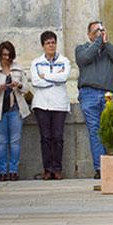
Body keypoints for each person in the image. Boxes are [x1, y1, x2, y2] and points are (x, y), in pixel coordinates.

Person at [75, 21, 113, 179]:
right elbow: (84, 59)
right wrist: (98, 42)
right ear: (89, 34)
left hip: (109, 94)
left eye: (102, 30)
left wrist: (106, 44)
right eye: (96, 31)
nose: (99, 33)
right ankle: (100, 168)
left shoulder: (108, 49)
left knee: (111, 131)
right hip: (89, 94)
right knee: (95, 131)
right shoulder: (81, 48)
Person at [0, 41, 31, 181]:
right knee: (1, 142)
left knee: (15, 141)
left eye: (9, 55)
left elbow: (26, 88)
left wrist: (19, 84)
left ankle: (14, 170)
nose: (6, 58)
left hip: (15, 108)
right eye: (4, 55)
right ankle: (3, 171)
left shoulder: (18, 69)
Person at [30, 30, 71, 180]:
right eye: (48, 43)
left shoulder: (64, 61)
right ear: (43, 45)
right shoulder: (36, 62)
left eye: (53, 42)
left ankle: (57, 168)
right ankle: (47, 169)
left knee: (58, 137)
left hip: (59, 104)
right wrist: (55, 78)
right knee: (45, 137)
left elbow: (65, 77)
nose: (51, 45)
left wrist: (45, 76)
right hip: (42, 104)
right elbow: (35, 81)